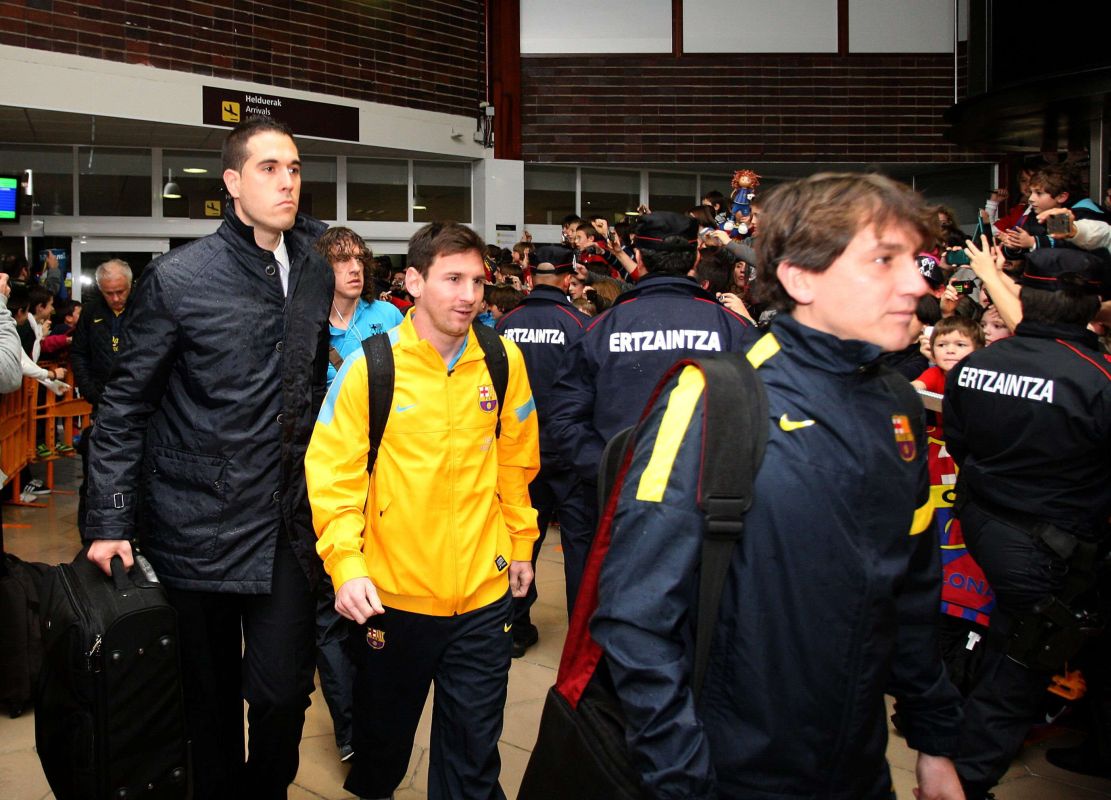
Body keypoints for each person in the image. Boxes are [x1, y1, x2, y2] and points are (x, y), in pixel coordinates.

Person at [591, 173, 965, 799]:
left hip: (861, 769)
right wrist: (683, 781)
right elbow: (635, 616)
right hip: (733, 775)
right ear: (800, 278)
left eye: (914, 261)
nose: (916, 284)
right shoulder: (715, 399)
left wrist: (934, 742)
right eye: (883, 261)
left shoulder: (900, 405)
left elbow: (911, 591)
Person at [82, 117, 333, 799]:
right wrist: (110, 520)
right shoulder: (178, 278)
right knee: (208, 702)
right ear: (231, 183)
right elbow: (125, 406)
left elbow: (310, 387)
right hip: (194, 522)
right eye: (269, 168)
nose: (287, 181)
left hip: (284, 522)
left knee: (283, 692)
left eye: (294, 168)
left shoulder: (314, 269)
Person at [306, 221, 540, 800]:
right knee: (380, 754)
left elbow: (516, 462)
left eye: (477, 281)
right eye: (453, 279)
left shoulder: (502, 359)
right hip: (394, 601)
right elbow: (333, 477)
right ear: (413, 281)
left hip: (483, 599)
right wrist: (346, 565)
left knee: (473, 758)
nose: (469, 295)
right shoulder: (371, 367)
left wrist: (520, 543)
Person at [944, 246, 1111, 799]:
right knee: (1020, 663)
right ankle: (964, 784)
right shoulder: (1097, 378)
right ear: (1091, 305)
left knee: (1008, 646)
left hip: (987, 528)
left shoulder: (976, 365)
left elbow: (962, 445)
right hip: (1053, 549)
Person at [548, 211, 757, 587]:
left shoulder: (601, 329)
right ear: (695, 257)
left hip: (622, 508)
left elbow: (564, 418)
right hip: (709, 509)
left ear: (640, 258)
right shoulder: (734, 328)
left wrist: (612, 471)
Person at [311, 225, 403, 763]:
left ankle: (379, 717)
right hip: (330, 478)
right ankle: (349, 731)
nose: (354, 268)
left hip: (387, 482)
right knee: (331, 611)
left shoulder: (387, 317)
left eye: (359, 259)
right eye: (341, 260)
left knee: (380, 607)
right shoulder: (307, 323)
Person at [496, 244, 591, 652]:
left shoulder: (504, 324)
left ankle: (513, 630)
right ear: (568, 279)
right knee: (579, 549)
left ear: (530, 276)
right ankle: (582, 643)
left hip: (518, 455)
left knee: (519, 543)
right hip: (569, 454)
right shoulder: (581, 324)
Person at [71, 259, 135, 536]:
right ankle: (91, 534)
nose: (116, 298)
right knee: (98, 472)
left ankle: (134, 533)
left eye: (121, 291)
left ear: (130, 285)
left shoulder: (144, 308)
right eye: (109, 293)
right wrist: (91, 392)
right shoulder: (91, 312)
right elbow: (79, 354)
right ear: (100, 289)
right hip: (103, 406)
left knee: (136, 474)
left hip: (139, 406)